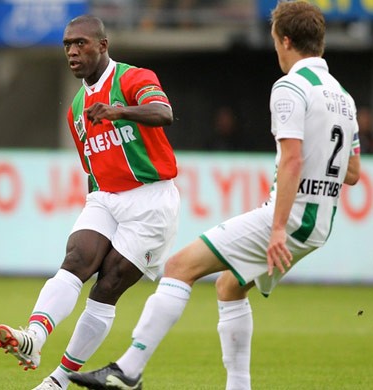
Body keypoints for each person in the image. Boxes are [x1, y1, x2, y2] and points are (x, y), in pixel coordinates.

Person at [69, 2, 361, 389]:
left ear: (285, 40)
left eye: (276, 41)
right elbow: (353, 173)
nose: (276, 49)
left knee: (178, 267)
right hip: (319, 222)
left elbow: (291, 161)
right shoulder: (342, 96)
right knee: (228, 285)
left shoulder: (291, 87)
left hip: (288, 218)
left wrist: (277, 229)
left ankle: (129, 370)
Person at [0, 14, 181, 390]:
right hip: (105, 196)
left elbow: (164, 114)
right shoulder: (76, 109)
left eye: (81, 43)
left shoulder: (133, 78)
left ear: (103, 46)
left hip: (151, 201)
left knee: (106, 284)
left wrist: (119, 111)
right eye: (67, 45)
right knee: (77, 258)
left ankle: (58, 381)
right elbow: (92, 167)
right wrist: (95, 206)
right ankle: (34, 337)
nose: (73, 51)